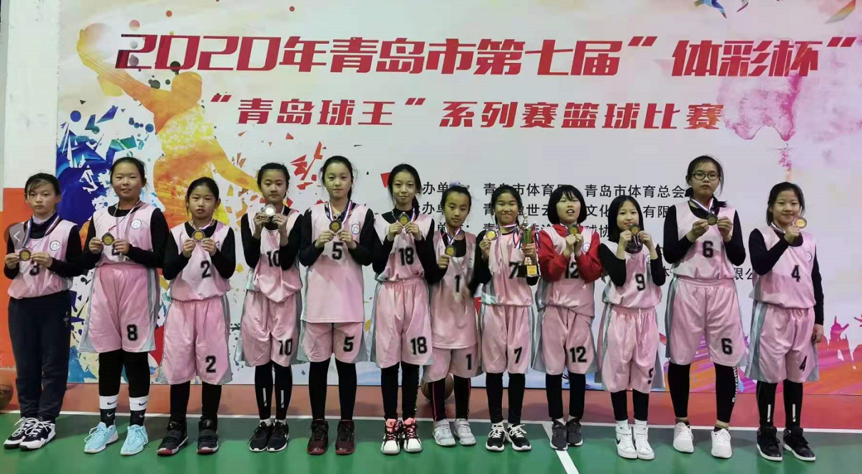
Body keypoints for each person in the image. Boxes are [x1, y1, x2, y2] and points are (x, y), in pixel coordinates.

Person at [79, 157, 168, 456]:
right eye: (119, 176)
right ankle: (106, 425)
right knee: (108, 355)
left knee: (135, 356)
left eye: (131, 176)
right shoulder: (99, 216)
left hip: (137, 287)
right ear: (112, 181)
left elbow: (162, 259)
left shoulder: (152, 214)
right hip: (105, 287)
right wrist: (92, 251)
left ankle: (137, 426)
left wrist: (133, 251)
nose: (125, 182)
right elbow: (86, 261)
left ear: (143, 181)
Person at [663, 155, 746, 459]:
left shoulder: (729, 213)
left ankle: (722, 428)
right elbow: (670, 254)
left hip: (721, 289)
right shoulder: (677, 211)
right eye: (700, 174)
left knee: (726, 360)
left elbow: (739, 258)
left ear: (719, 180)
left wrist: (729, 236)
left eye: (712, 175)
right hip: (687, 287)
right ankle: (681, 422)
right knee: (681, 357)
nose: (706, 179)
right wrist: (691, 235)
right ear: (689, 179)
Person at [298, 156, 376, 456]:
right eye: (331, 177)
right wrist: (318, 243)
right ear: (323, 181)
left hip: (348, 306)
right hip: (318, 306)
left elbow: (369, 258)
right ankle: (318, 425)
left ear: (351, 180)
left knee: (346, 368)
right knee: (318, 368)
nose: (337, 182)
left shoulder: (363, 214)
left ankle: (346, 424)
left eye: (343, 177)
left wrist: (353, 244)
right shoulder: (312, 214)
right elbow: (303, 258)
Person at [3, 173, 83, 450]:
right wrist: (10, 264)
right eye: (34, 194)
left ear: (57, 197)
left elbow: (77, 268)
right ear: (26, 198)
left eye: (46, 194)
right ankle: (28, 417)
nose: (39, 199)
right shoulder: (16, 230)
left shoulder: (68, 230)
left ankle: (46, 420)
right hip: (21, 305)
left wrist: (53, 263)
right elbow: (11, 274)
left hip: (53, 303)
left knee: (53, 364)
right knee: (26, 364)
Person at [157, 178, 236, 456]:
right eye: (196, 198)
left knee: (211, 369)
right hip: (181, 308)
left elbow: (228, 271)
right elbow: (168, 271)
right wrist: (182, 255)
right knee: (179, 367)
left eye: (207, 198)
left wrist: (215, 254)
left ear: (217, 203)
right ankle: (176, 426)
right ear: (187, 202)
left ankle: (208, 424)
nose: (201, 203)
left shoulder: (224, 233)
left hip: (211, 307)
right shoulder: (176, 233)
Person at [747, 182, 822, 463]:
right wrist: (785, 240)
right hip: (772, 314)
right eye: (782, 203)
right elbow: (760, 265)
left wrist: (820, 320)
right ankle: (766, 433)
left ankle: (793, 433)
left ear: (800, 207)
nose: (788, 208)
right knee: (768, 377)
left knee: (795, 377)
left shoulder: (810, 241)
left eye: (794, 203)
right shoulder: (760, 235)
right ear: (771, 207)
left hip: (804, 316)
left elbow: (816, 281)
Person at [371, 164, 439, 455]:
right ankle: (390, 424)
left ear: (417, 189)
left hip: (415, 291)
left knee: (412, 362)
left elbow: (433, 270)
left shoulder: (427, 221)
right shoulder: (378, 221)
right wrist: (388, 239)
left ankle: (410, 423)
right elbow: (375, 265)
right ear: (390, 188)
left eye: (409, 185)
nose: (403, 190)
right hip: (389, 292)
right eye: (398, 184)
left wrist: (420, 240)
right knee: (389, 362)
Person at [238, 163, 302, 453]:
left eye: (279, 183)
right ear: (260, 186)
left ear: (287, 186)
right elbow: (251, 260)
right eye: (268, 183)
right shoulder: (249, 218)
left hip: (285, 298)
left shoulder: (297, 218)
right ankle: (264, 422)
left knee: (282, 362)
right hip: (257, 297)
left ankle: (282, 423)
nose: (273, 188)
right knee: (262, 362)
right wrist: (256, 230)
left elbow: (288, 261)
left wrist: (284, 231)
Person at [597, 196, 666, 460]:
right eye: (622, 213)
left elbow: (659, 279)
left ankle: (641, 432)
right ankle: (622, 431)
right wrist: (621, 247)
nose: (629, 217)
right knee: (617, 375)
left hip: (646, 318)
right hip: (620, 317)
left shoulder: (650, 247)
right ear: (614, 218)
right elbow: (618, 277)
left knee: (643, 375)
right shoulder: (607, 247)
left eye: (633, 212)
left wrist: (652, 249)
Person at [534, 185, 602, 450]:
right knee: (553, 369)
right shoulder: (546, 234)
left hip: (580, 313)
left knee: (577, 370)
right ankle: (557, 421)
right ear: (555, 207)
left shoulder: (591, 235)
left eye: (574, 200)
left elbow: (593, 273)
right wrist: (565, 251)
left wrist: (579, 252)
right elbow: (549, 272)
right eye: (563, 201)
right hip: (553, 310)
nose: (570, 205)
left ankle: (575, 420)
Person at [473, 185, 538, 453]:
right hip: (493, 307)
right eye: (501, 203)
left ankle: (515, 424)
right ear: (493, 208)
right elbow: (480, 278)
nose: (506, 208)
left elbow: (532, 279)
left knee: (517, 370)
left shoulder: (528, 236)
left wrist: (531, 257)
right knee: (494, 369)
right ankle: (496, 425)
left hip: (520, 308)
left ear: (519, 208)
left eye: (511, 203)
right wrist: (483, 255)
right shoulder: (485, 237)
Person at [424, 185, 480, 448]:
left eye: (463, 208)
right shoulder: (432, 240)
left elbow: (481, 277)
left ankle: (462, 419)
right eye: (452, 207)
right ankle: (439, 421)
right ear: (443, 208)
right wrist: (436, 268)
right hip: (438, 319)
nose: (457, 212)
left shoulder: (475, 242)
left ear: (468, 211)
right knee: (436, 374)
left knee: (463, 373)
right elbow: (425, 277)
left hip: (465, 321)